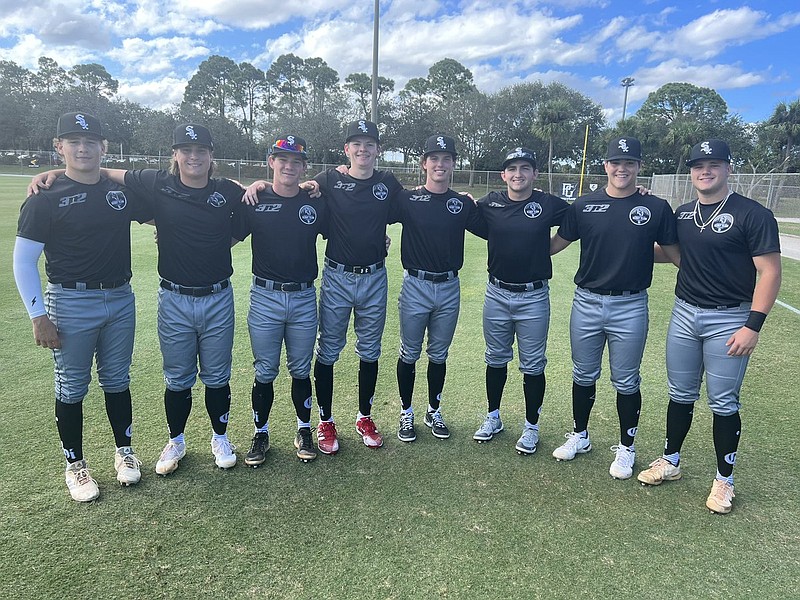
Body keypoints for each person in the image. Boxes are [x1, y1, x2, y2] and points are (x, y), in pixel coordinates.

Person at [30, 123, 245, 474]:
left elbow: (251, 204)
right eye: (185, 149)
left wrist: (262, 187)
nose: (194, 156)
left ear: (211, 156)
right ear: (174, 154)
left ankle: (220, 436)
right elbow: (101, 172)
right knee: (178, 378)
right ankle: (176, 440)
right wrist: (56, 171)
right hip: (173, 297)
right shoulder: (156, 182)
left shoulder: (227, 191)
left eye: (201, 150)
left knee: (217, 376)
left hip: (218, 296)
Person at [637, 139, 781, 514]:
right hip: (685, 313)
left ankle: (724, 480)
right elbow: (668, 254)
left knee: (723, 401)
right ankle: (670, 461)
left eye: (714, 164)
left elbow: (769, 270)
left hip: (730, 317)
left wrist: (753, 325)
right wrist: (637, 209)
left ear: (728, 168)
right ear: (691, 171)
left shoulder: (753, 214)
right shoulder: (683, 213)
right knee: (680, 392)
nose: (706, 170)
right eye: (699, 165)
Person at [14, 112, 149, 501]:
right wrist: (38, 316)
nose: (83, 147)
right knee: (72, 386)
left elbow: (162, 204)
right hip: (70, 300)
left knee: (117, 381)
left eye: (91, 141)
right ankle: (75, 465)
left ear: (103, 147)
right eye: (73, 141)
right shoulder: (46, 197)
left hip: (121, 298)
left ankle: (124, 453)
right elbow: (24, 261)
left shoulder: (118, 192)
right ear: (59, 147)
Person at [550, 136, 679, 479]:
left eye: (629, 163)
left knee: (626, 380)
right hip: (587, 301)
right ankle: (580, 435)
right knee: (583, 374)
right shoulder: (583, 205)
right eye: (615, 163)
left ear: (639, 167)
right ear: (605, 166)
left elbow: (676, 253)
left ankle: (626, 448)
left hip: (630, 304)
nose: (622, 168)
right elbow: (554, 245)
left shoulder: (655, 207)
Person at [306, 120, 403, 452]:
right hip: (337, 277)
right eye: (356, 144)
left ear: (378, 150)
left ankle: (364, 416)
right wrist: (259, 184)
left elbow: (414, 204)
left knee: (370, 351)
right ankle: (326, 421)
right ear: (346, 149)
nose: (363, 149)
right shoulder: (330, 179)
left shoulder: (387, 182)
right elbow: (294, 188)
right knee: (329, 350)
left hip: (375, 277)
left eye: (370, 144)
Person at [233, 135, 328, 464]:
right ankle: (261, 434)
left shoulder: (315, 201)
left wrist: (381, 237)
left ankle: (304, 429)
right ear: (271, 162)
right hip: (265, 297)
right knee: (265, 371)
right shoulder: (255, 199)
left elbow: (345, 228)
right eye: (281, 159)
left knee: (301, 370)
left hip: (303, 297)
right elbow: (225, 236)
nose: (289, 166)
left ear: (304, 167)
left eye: (296, 162)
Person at [471, 148, 569, 454]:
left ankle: (531, 427)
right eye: (512, 169)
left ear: (534, 174)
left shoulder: (547, 203)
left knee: (532, 365)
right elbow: (464, 212)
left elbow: (578, 220)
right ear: (503, 175)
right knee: (495, 359)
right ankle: (493, 417)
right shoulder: (491, 201)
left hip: (534, 296)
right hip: (497, 294)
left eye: (525, 168)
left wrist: (547, 250)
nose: (518, 174)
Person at [392, 135, 481, 442]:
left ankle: (433, 409)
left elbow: (494, 222)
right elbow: (371, 213)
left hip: (448, 286)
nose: (440, 164)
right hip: (415, 284)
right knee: (409, 352)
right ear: (424, 164)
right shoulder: (407, 199)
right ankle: (406, 412)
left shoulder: (462, 203)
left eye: (446, 159)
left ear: (453, 164)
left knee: (439, 354)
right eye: (434, 158)